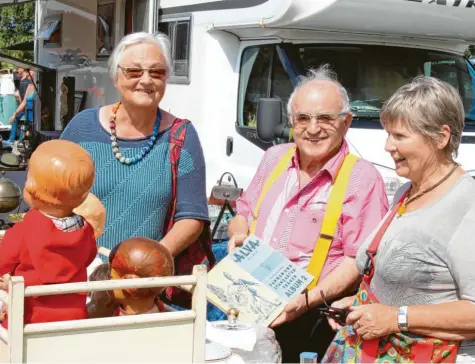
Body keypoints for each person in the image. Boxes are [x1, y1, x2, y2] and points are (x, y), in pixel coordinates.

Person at [227, 65, 389, 362]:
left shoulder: (362, 178)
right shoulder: (274, 158)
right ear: (292, 121)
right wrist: (238, 233)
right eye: (303, 118)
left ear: (347, 122)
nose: (313, 129)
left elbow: (358, 261)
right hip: (250, 303)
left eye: (325, 118)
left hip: (312, 316)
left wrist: (306, 300)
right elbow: (243, 213)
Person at [322, 76, 475, 363]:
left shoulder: (468, 206)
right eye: (388, 133)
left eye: (400, 136)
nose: (388, 146)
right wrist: (359, 306)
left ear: (441, 137)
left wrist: (396, 318)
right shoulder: (408, 191)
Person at [60, 32, 211, 304]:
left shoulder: (182, 136)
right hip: (78, 281)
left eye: (156, 72)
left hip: (145, 290)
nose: (145, 80)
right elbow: (53, 197)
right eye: (133, 71)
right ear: (116, 76)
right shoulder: (82, 128)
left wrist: (146, 265)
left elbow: (192, 216)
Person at [0, 139, 97, 327]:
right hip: (74, 318)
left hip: (27, 319)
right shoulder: (86, 230)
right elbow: (88, 257)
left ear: (31, 188)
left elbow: (2, 263)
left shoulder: (22, 231)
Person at [88, 237, 174, 318]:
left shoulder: (124, 320)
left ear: (130, 284)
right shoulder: (159, 308)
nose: (107, 279)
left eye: (110, 277)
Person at [3, 67, 33, 148]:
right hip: (24, 107)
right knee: (17, 120)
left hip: (28, 108)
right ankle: (14, 141)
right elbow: (21, 99)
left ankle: (16, 141)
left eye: (18, 68)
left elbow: (23, 100)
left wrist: (18, 110)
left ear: (22, 69)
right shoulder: (23, 82)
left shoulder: (28, 82)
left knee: (25, 125)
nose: (16, 71)